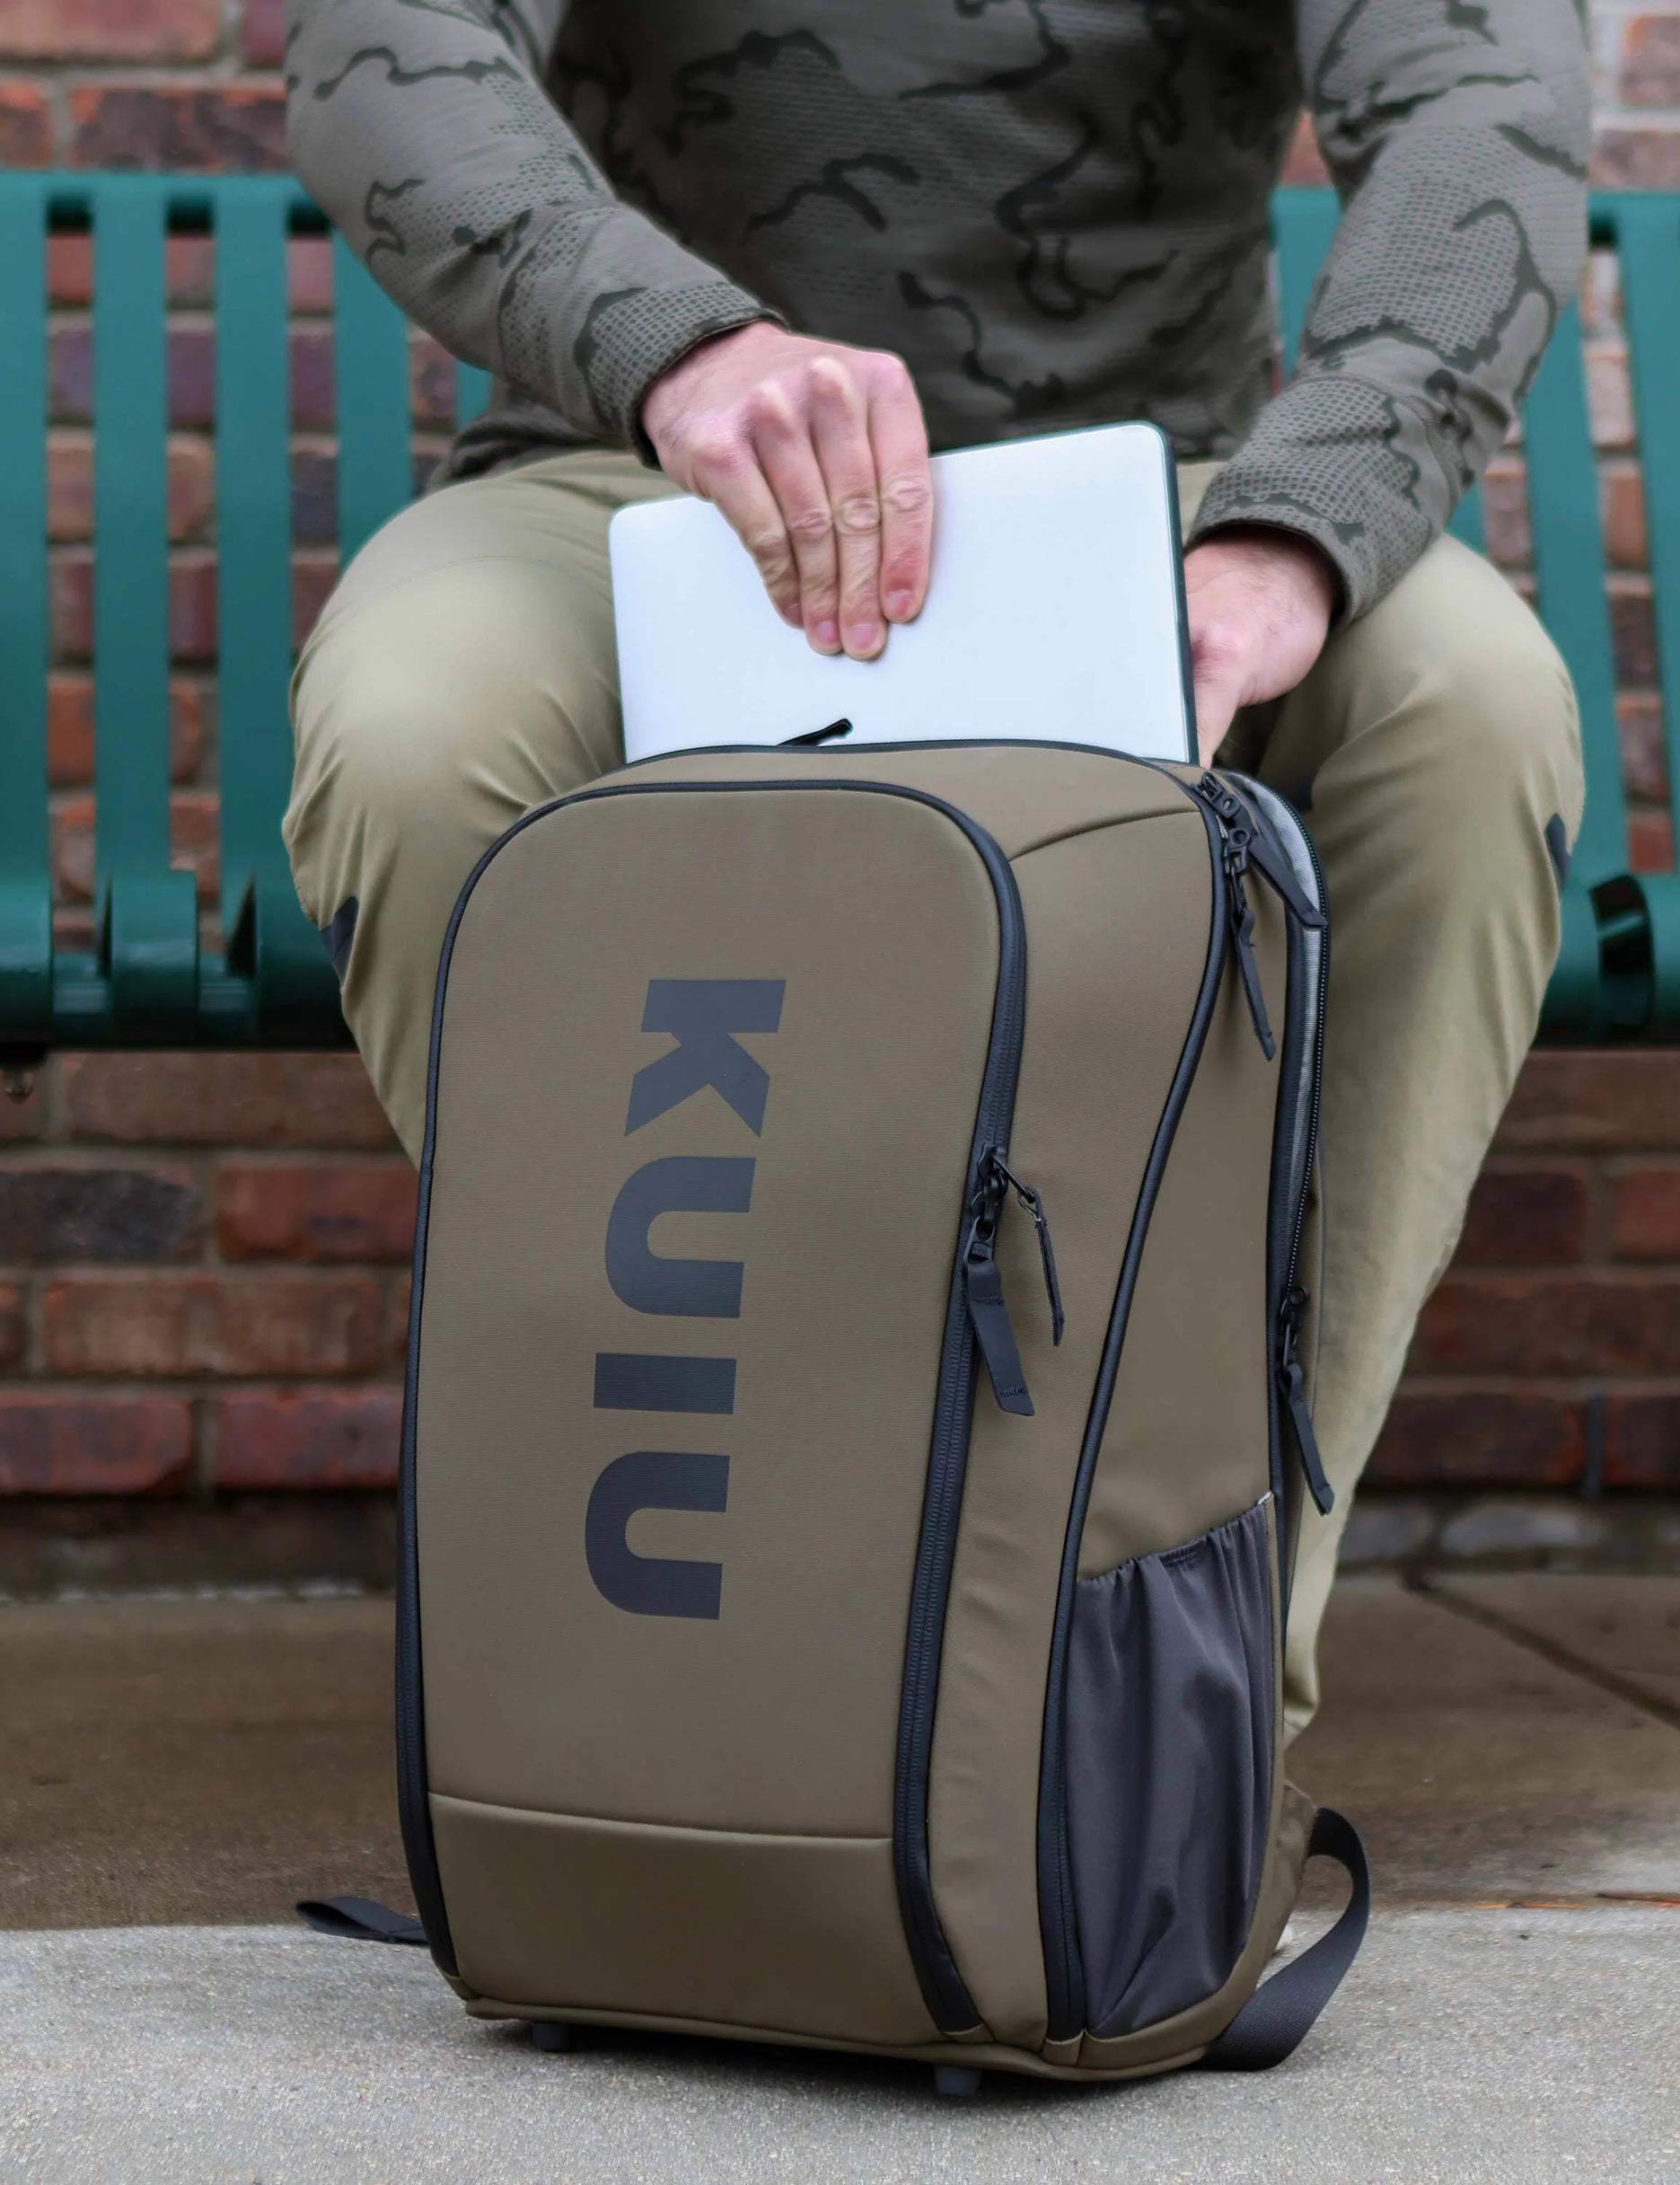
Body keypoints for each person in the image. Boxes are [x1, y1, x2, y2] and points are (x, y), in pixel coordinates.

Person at [283, 0, 1589, 1736]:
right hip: (640, 471)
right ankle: (706, 1602)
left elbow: (1476, 95)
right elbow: (386, 38)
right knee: (416, 730)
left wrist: (1299, 523)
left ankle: (1164, 1712)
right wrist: (680, 349)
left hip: (1166, 487)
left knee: (1470, 709)